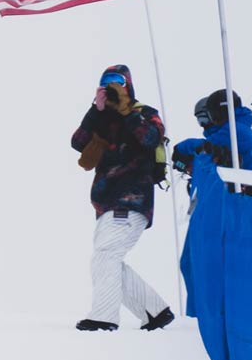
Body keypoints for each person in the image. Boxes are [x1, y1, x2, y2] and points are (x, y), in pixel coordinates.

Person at [68, 65, 174, 333]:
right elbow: (77, 142)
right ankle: (155, 311)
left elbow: (151, 139)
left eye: (117, 80)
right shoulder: (102, 119)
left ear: (128, 84)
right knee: (106, 258)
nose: (112, 85)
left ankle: (104, 317)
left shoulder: (144, 114)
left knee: (105, 255)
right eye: (106, 81)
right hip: (106, 202)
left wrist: (128, 110)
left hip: (133, 197)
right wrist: (96, 111)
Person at [172, 91, 252, 200]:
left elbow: (207, 147)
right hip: (244, 192)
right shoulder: (239, 130)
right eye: (200, 121)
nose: (204, 125)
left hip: (242, 195)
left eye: (205, 118)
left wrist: (182, 148)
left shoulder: (234, 130)